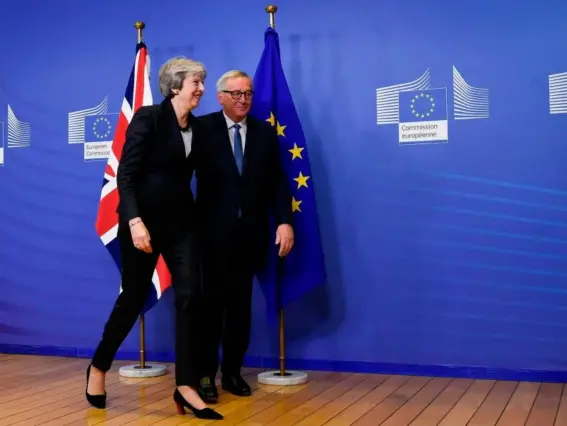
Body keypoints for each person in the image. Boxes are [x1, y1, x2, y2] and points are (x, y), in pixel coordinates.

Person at [85, 57, 222, 421]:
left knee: (192, 297)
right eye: (196, 82)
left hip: (183, 225)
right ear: (176, 85)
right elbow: (125, 175)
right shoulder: (148, 118)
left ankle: (186, 385)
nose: (202, 90)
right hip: (142, 224)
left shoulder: (198, 127)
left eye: (203, 83)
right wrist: (133, 221)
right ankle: (98, 367)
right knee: (132, 299)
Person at [193, 70, 294, 402]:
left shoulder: (265, 133)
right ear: (220, 96)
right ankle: (205, 374)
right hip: (211, 238)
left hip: (249, 237)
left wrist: (283, 221)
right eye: (235, 94)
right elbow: (178, 175)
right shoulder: (201, 128)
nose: (243, 100)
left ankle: (232, 373)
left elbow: (277, 182)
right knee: (210, 309)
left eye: (247, 93)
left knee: (240, 308)